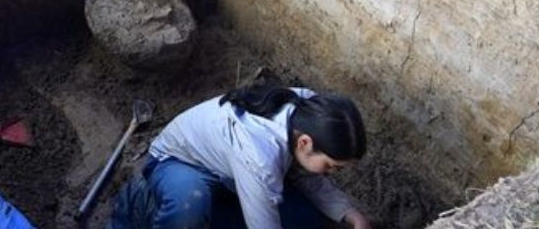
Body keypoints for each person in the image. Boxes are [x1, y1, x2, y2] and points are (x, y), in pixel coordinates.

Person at [108, 83, 371, 229]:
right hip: (179, 163)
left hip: (231, 175)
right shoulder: (261, 155)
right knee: (191, 203)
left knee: (306, 221)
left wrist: (351, 215)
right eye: (331, 166)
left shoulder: (308, 111)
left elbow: (307, 175)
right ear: (305, 142)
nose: (331, 172)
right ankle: (145, 206)